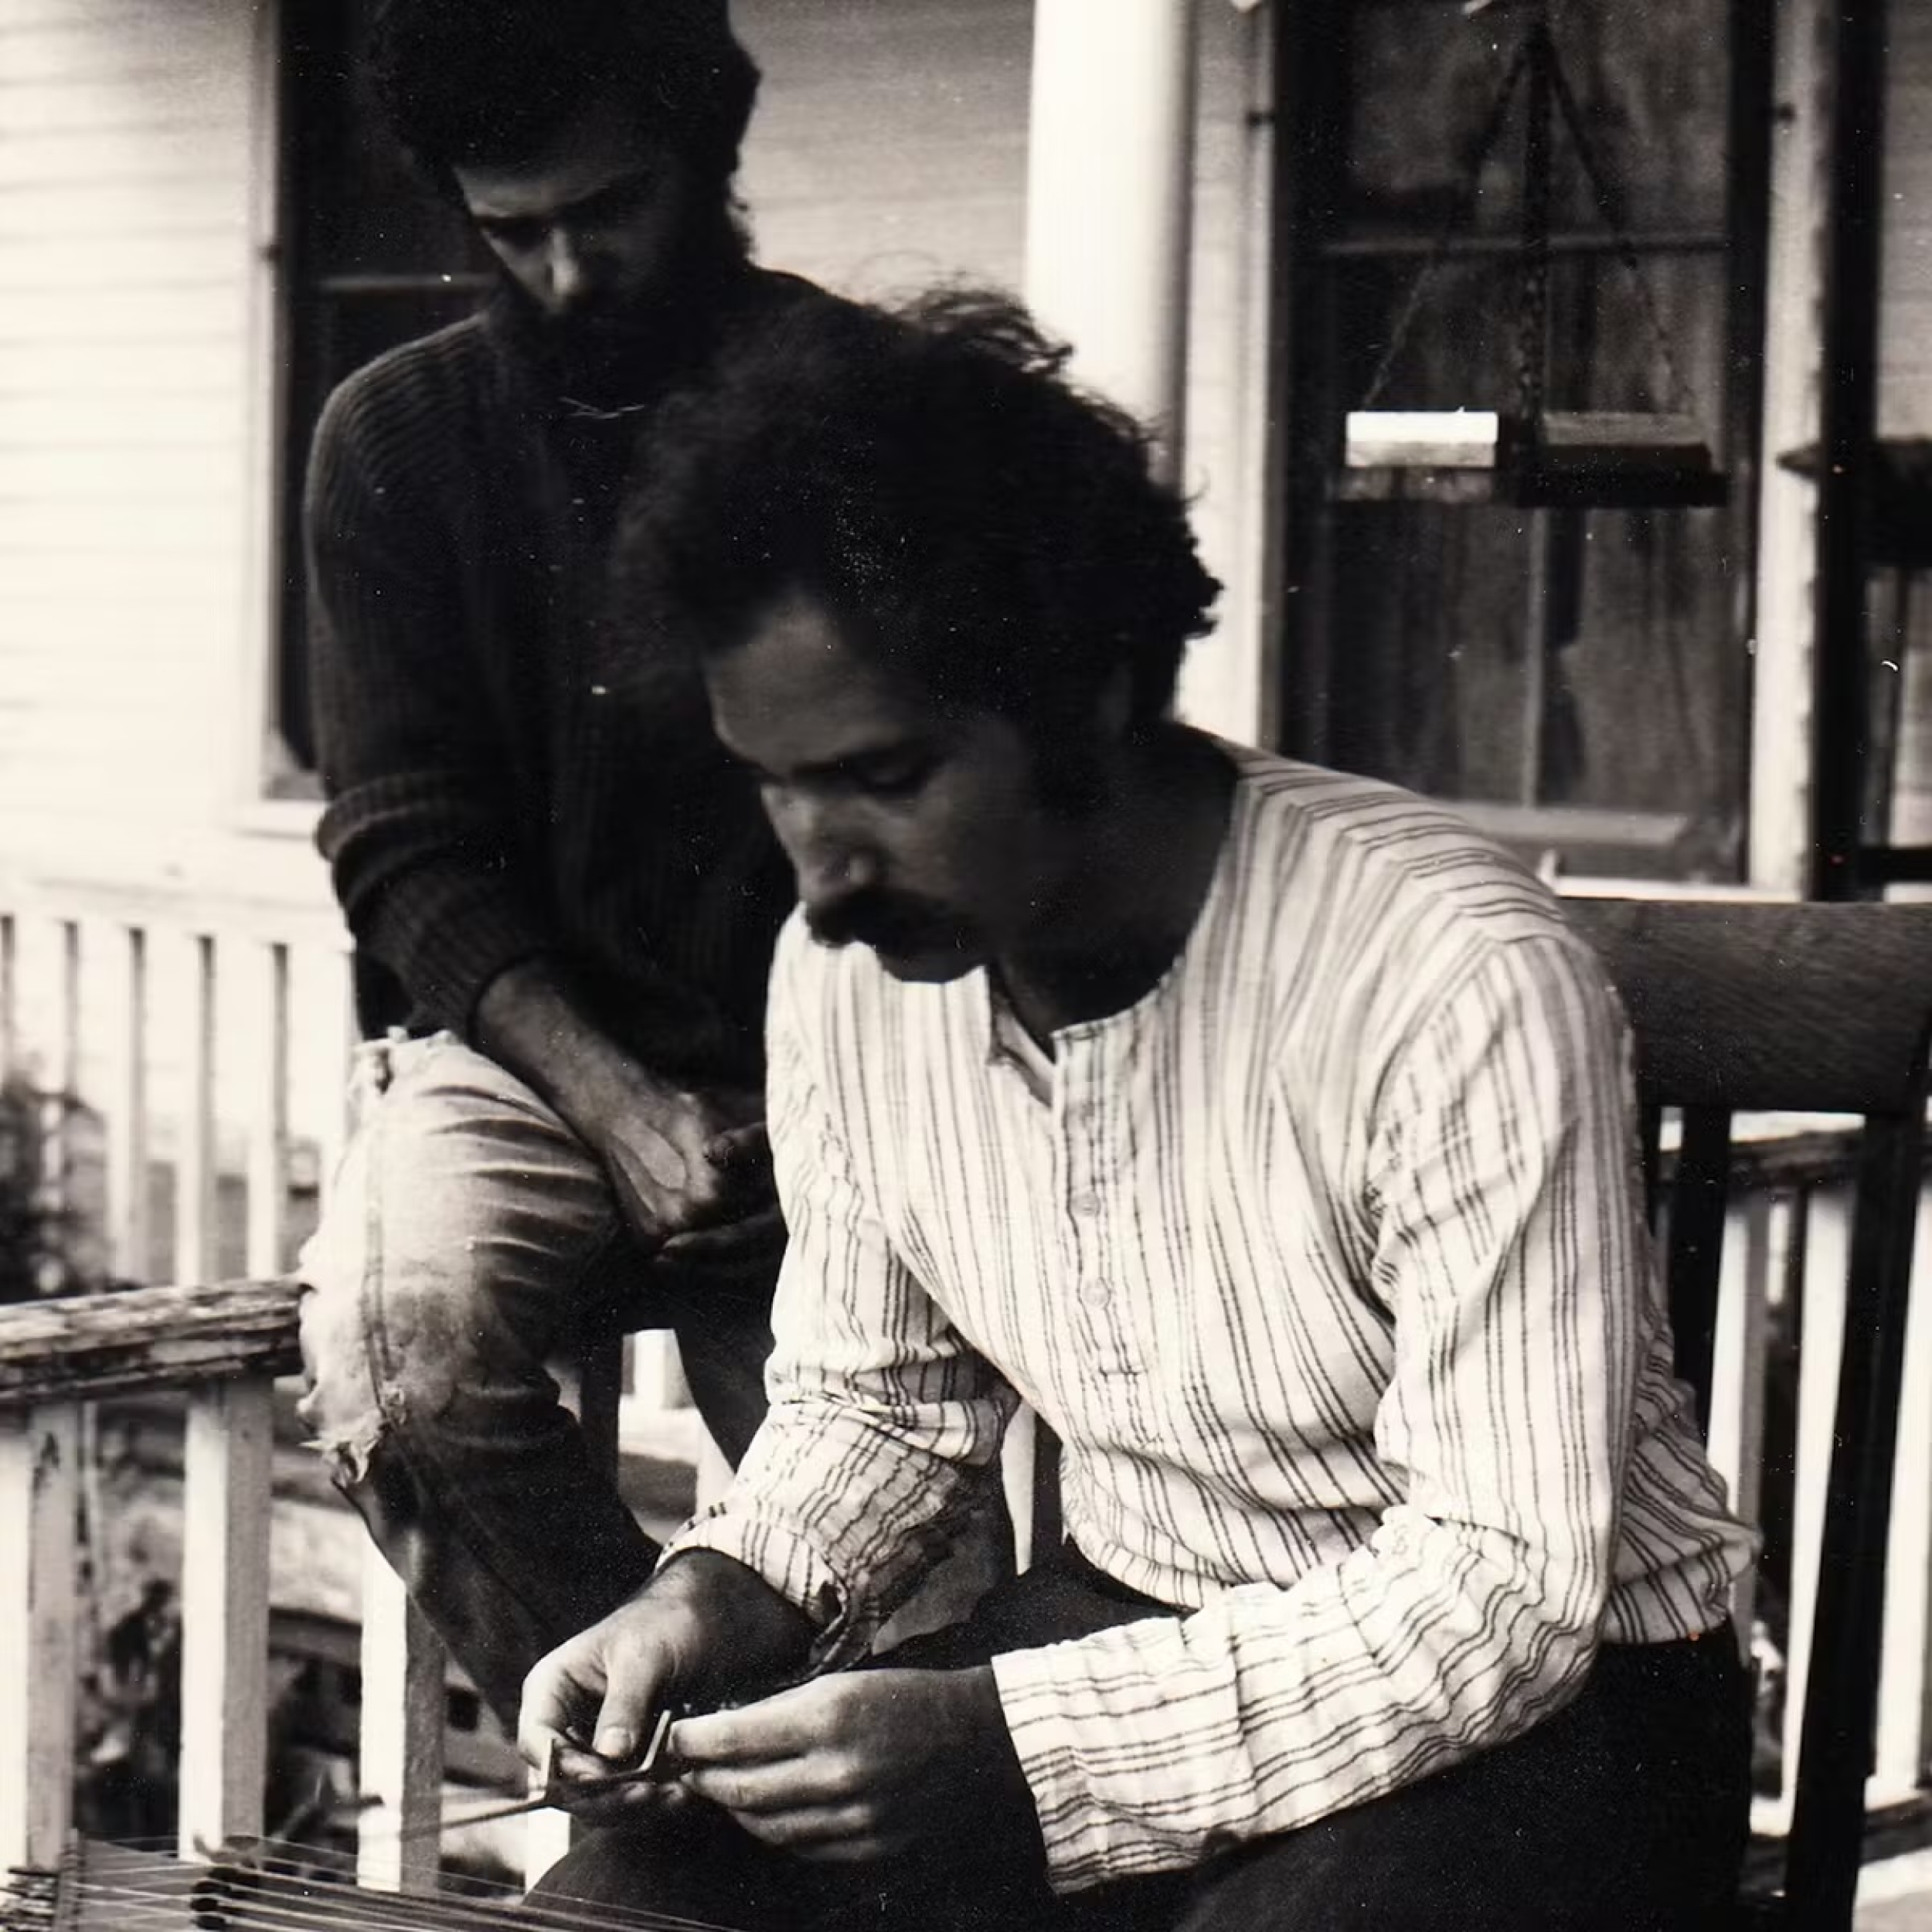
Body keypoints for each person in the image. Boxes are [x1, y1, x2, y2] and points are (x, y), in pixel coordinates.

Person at [517, 291, 1759, 1932]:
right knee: (620, 1903)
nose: (818, 878)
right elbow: (881, 1402)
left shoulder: (1450, 976)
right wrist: (717, 1593)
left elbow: (1502, 1591)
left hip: (1562, 1714)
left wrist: (1017, 1747)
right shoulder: (847, 968)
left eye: (885, 776)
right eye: (775, 781)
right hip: (1126, 1621)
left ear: (1089, 691)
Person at [295, 0, 817, 1730]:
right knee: (395, 1351)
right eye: (511, 229)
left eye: (610, 209)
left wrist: (817, 1102)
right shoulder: (394, 437)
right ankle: (675, 1766)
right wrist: (622, 1106)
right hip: (520, 1055)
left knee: (889, 1500)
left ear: (707, 152)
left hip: (835, 1058)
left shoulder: (858, 406)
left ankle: (854, 1783)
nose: (569, 273)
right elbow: (404, 843)